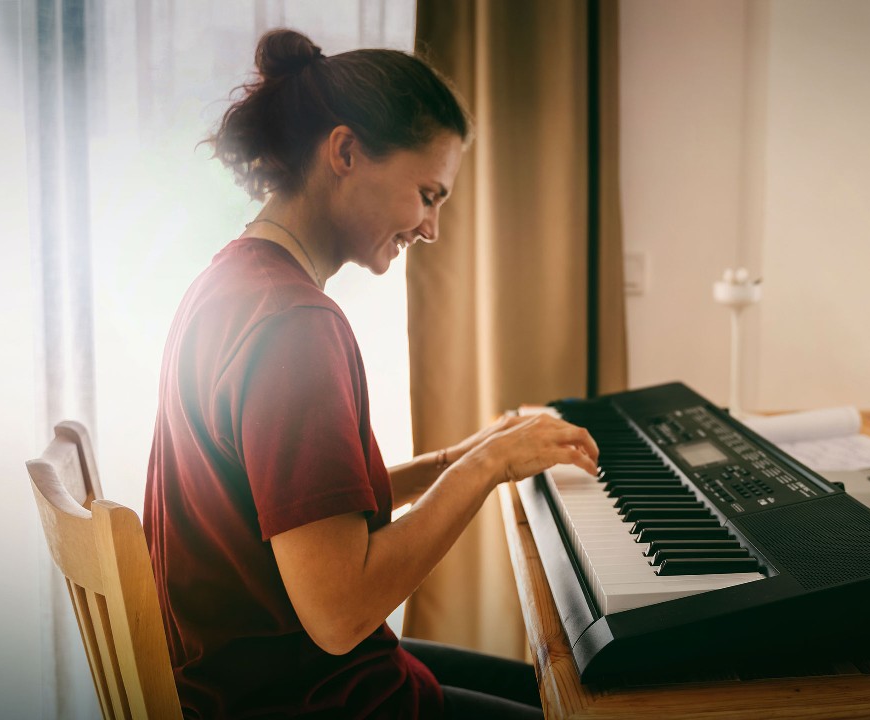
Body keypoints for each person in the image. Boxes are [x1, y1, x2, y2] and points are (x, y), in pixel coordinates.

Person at [143, 28, 600, 719]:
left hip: (249, 683)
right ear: (346, 152)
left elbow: (300, 519)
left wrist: (460, 454)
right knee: (585, 699)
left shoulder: (232, 283)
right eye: (428, 193)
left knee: (566, 691)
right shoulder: (295, 328)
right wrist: (486, 471)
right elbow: (340, 612)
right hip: (304, 699)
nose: (432, 228)